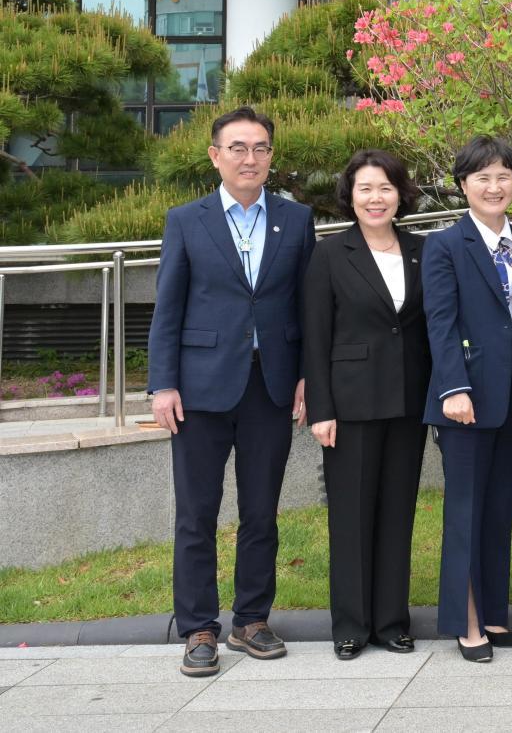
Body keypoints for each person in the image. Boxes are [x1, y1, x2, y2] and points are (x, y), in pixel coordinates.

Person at [147, 105, 317, 678]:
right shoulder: (186, 220)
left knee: (261, 511)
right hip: (198, 388)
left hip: (269, 385)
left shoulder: (295, 221)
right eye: (238, 148)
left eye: (261, 148)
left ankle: (251, 619)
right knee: (196, 513)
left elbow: (306, 308)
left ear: (272, 156)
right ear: (216, 155)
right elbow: (167, 307)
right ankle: (199, 627)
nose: (250, 158)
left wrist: (306, 375)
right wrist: (162, 383)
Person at [302, 150, 430, 660]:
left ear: (400, 194)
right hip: (350, 403)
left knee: (398, 512)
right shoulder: (330, 254)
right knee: (352, 515)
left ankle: (392, 621)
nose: (375, 198)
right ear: (349, 196)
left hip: (409, 400)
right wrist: (320, 408)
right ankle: (351, 625)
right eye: (365, 189)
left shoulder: (422, 250)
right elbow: (316, 337)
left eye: (385, 188)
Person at [421, 136, 512, 663]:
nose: (494, 186)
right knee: (465, 508)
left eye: (503, 176)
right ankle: (466, 623)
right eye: (482, 177)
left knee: (499, 508)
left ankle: (492, 611)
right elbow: (439, 324)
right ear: (463, 185)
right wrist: (453, 387)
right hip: (463, 398)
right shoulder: (445, 245)